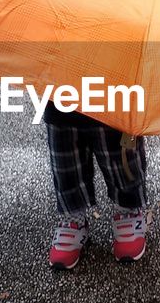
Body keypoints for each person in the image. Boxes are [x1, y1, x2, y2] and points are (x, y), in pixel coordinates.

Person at [43, 101, 148, 270]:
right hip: (60, 93)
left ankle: (127, 210)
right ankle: (72, 218)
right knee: (66, 161)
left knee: (121, 158)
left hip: (114, 98)